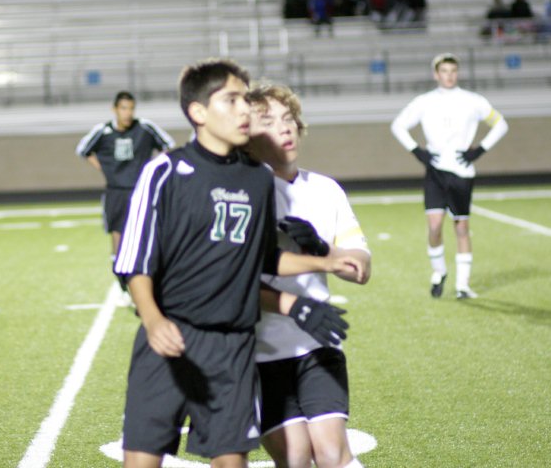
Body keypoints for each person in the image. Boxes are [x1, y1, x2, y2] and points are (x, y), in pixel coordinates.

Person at [113, 59, 356, 468]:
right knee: (142, 461)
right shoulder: (165, 171)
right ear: (198, 112)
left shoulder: (257, 179)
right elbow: (134, 262)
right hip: (170, 338)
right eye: (232, 99)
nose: (245, 109)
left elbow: (263, 260)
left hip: (234, 347)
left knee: (231, 461)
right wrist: (154, 321)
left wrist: (327, 263)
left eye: (246, 98)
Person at [245, 84, 371, 468]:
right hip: (260, 352)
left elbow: (361, 269)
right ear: (246, 136)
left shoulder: (326, 190)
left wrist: (324, 250)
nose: (284, 129)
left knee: (333, 454)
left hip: (318, 342)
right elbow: (233, 281)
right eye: (268, 122)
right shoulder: (243, 193)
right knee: (296, 457)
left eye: (289, 120)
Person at [390, 53, 508, 299]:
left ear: (458, 73)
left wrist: (479, 150)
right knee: (434, 227)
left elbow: (501, 124)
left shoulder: (472, 101)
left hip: (462, 172)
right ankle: (439, 272)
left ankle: (462, 285)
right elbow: (398, 125)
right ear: (436, 74)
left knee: (462, 227)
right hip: (435, 171)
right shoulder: (424, 102)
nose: (449, 75)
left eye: (453, 71)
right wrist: (416, 151)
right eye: (444, 71)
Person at [76, 91, 175, 293]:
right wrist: (105, 169)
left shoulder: (144, 127)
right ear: (115, 109)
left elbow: (168, 146)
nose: (127, 113)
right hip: (116, 192)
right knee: (118, 235)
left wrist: (152, 169)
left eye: (131, 108)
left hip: (141, 190)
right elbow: (83, 150)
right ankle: (121, 280)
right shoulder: (103, 131)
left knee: (147, 232)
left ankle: (148, 278)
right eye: (123, 108)